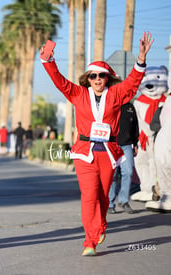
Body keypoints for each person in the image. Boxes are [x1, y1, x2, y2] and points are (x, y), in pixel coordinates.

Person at [40, 32, 153, 256]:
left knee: (102, 196)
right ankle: (89, 242)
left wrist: (140, 59)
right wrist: (48, 60)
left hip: (108, 153)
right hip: (85, 153)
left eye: (102, 76)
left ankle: (100, 225)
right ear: (88, 78)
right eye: (93, 76)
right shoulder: (79, 94)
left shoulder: (117, 94)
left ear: (108, 78)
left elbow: (132, 82)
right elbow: (60, 82)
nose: (98, 79)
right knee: (89, 195)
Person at [108, 102, 139, 214]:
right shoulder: (109, 103)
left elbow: (135, 126)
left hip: (127, 145)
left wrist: (135, 144)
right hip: (112, 145)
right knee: (112, 175)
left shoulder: (130, 107)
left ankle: (124, 200)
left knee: (129, 171)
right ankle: (110, 203)